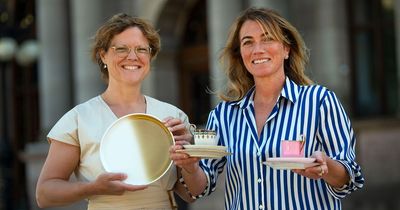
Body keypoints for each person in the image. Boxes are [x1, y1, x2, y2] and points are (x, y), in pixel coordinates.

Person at [170, 7, 364, 210]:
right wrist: (190, 167)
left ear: (286, 49)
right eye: (248, 42)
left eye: (267, 38)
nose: (257, 49)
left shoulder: (320, 101)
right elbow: (201, 187)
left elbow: (349, 177)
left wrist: (325, 166)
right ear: (241, 54)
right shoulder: (223, 116)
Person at [36, 13, 193, 209]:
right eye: (121, 49)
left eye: (141, 49)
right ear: (103, 55)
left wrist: (190, 164)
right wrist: (93, 188)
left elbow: (191, 195)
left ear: (150, 56)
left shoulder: (173, 116)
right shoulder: (79, 119)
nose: (133, 56)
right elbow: (44, 194)